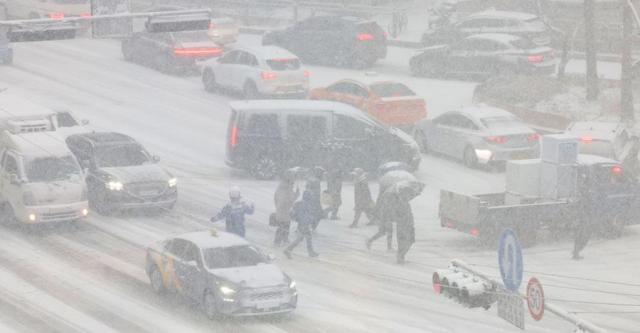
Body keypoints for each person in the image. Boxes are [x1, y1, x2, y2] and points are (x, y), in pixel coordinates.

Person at [284, 190, 321, 259]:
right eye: (310, 195)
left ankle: (310, 252)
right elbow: (305, 215)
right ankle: (288, 250)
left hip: (303, 224)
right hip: (304, 224)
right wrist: (310, 220)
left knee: (305, 238)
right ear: (308, 196)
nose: (312, 197)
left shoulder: (302, 203)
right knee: (302, 238)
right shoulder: (305, 204)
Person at [273, 171, 300, 246]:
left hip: (283, 209)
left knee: (285, 225)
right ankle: (278, 240)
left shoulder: (283, 187)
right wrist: (296, 194)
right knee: (283, 225)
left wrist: (296, 194)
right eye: (292, 182)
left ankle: (284, 239)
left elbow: (276, 198)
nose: (293, 184)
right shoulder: (286, 188)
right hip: (283, 209)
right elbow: (289, 199)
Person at [308, 166, 326, 230]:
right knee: (318, 214)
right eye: (321, 173)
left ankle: (310, 226)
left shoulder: (314, 179)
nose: (322, 175)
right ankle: (311, 226)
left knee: (316, 214)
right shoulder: (315, 180)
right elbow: (310, 191)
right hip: (313, 201)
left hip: (313, 200)